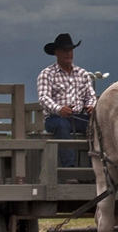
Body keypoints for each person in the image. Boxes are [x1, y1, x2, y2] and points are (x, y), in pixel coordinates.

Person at [37, 33, 97, 167]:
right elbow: (43, 98)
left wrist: (91, 106)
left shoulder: (83, 74)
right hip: (55, 118)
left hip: (79, 116)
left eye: (71, 50)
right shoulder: (47, 74)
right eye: (65, 50)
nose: (69, 53)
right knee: (62, 126)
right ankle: (69, 169)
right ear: (56, 52)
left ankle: (97, 167)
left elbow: (91, 96)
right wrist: (59, 109)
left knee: (98, 126)